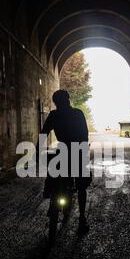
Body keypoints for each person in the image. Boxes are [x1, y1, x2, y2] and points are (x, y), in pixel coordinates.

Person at [38, 89, 91, 234]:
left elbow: (43, 134)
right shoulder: (78, 113)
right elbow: (84, 136)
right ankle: (81, 219)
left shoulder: (54, 115)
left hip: (63, 151)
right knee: (81, 186)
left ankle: (49, 194)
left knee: (53, 172)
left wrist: (37, 151)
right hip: (77, 151)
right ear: (68, 99)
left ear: (56, 103)